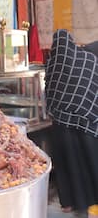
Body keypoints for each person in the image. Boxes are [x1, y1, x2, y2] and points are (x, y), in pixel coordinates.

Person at [45, 29, 98, 215]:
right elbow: (93, 88)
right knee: (88, 162)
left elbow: (48, 96)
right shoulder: (87, 60)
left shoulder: (52, 65)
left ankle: (70, 203)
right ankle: (91, 199)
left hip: (60, 127)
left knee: (68, 167)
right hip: (86, 125)